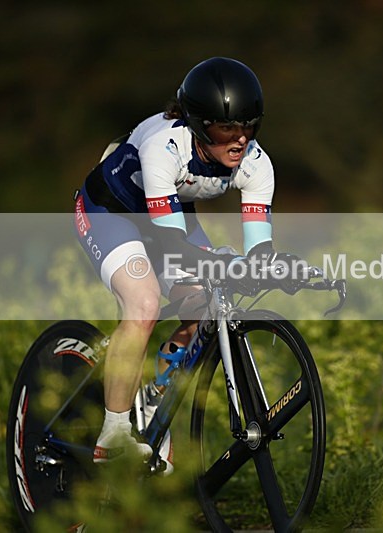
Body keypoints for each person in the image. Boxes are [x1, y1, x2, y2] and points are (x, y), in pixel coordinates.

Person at [73, 57, 302, 473]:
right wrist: (224, 263)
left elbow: (259, 252)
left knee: (203, 310)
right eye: (224, 128)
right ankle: (114, 431)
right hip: (111, 212)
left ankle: (150, 405)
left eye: (249, 126)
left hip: (171, 216)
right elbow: (172, 243)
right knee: (143, 305)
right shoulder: (164, 147)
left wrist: (274, 268)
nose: (238, 139)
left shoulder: (256, 164)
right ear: (197, 124)